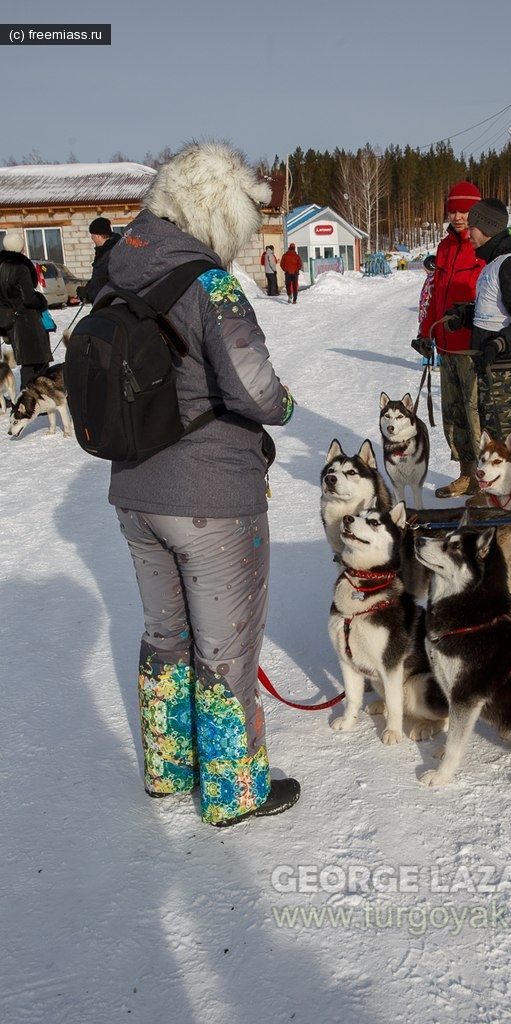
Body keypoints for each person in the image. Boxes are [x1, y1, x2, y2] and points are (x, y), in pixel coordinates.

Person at [105, 141, 299, 827]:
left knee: (165, 634)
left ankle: (167, 765)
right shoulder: (206, 283)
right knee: (225, 651)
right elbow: (254, 390)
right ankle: (233, 792)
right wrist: (286, 407)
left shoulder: (117, 269)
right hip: (211, 499)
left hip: (134, 493)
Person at [415, 182, 485, 498]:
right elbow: (436, 296)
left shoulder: (485, 246)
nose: (458, 217)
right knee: (454, 414)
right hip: (445, 346)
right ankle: (466, 474)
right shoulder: (444, 247)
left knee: (476, 415)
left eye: (464, 210)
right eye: (453, 210)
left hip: (472, 346)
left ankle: (489, 481)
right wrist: (425, 332)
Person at [460, 198, 511, 445]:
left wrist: (498, 344)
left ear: (487, 228)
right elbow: (495, 312)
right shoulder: (495, 262)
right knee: (493, 444)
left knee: (503, 449)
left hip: (505, 368)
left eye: (472, 227)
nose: (468, 234)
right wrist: (466, 316)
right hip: (491, 366)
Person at [0, 231, 52, 387]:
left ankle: (29, 395)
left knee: (27, 361)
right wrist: (41, 301)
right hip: (27, 320)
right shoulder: (21, 268)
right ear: (21, 248)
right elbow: (28, 298)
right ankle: (32, 396)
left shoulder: (1, 266)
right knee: (37, 361)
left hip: (9, 320)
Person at [76, 217, 120, 304]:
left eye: (92, 235)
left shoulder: (111, 254)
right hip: (106, 303)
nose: (92, 238)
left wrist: (88, 292)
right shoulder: (104, 252)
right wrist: (87, 289)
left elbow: (104, 282)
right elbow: (98, 279)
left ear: (97, 235)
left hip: (110, 304)